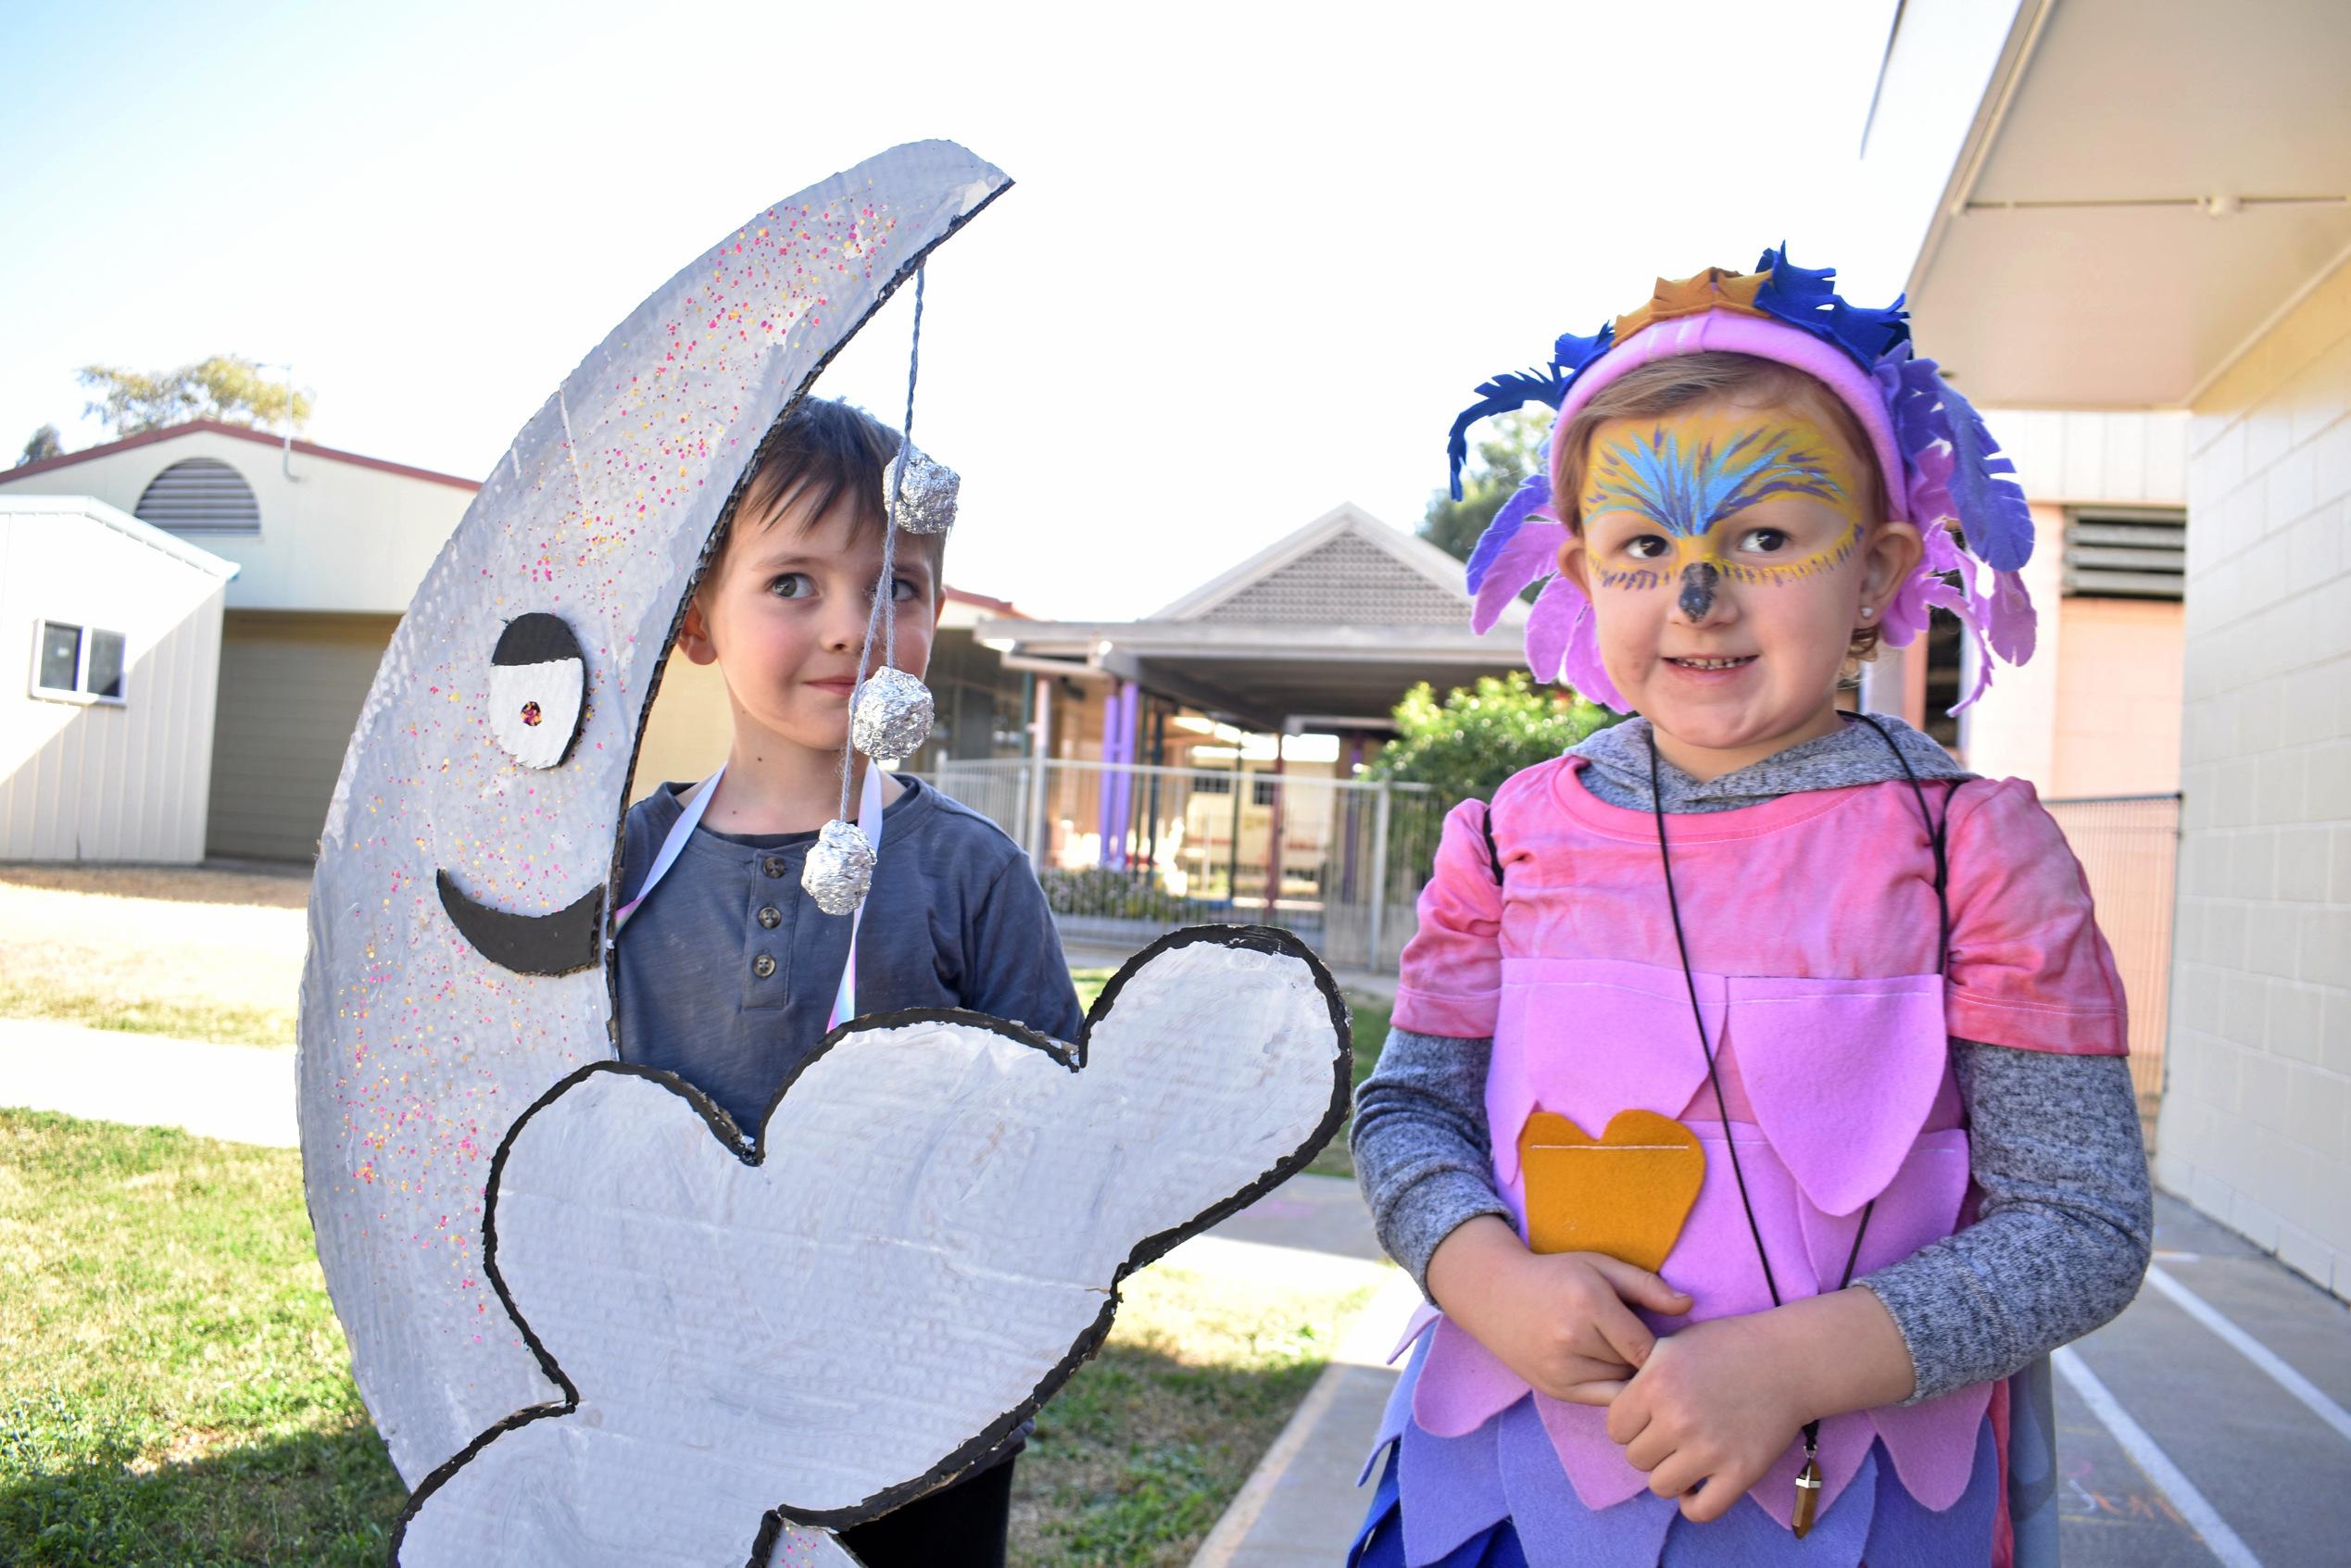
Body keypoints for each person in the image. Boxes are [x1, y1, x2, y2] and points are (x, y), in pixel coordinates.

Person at [1349, 257, 2151, 1567]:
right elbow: (1409, 1108)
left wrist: (1795, 1362)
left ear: (1880, 568)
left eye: (1764, 537)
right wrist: (1484, 1275)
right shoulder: (1501, 838)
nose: (1695, 594)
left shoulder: (1971, 852)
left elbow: (2079, 1222)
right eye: (1643, 546)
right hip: (1499, 1486)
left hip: (1851, 1504)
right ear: (1577, 571)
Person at [612, 395, 1085, 1568]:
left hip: (921, 1420)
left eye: (898, 587)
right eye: (793, 584)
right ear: (698, 618)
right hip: (671, 1383)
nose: (852, 627)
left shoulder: (970, 872)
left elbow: (1065, 1139)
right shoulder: (617, 867)